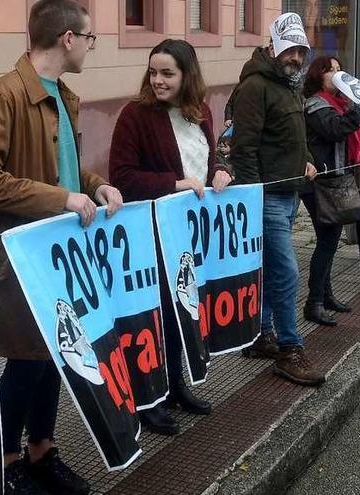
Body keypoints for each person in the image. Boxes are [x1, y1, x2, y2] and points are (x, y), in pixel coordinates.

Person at [0, 1, 123, 494]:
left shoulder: (63, 95)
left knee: (55, 351)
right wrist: (62, 197)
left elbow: (64, 170)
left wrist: (95, 186)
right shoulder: (4, 96)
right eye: (89, 37)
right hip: (16, 258)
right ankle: (7, 462)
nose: (92, 46)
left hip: (54, 255)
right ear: (68, 39)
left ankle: (41, 450)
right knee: (27, 359)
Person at [109, 39, 233, 435]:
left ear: (187, 76)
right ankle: (151, 398)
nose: (158, 80)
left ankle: (178, 385)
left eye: (168, 73)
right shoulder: (135, 115)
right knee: (155, 317)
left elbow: (208, 159)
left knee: (181, 310)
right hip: (148, 234)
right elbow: (123, 177)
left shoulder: (200, 114)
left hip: (188, 236)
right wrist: (173, 183)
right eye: (153, 72)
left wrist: (220, 171)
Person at [230, 12, 325, 386]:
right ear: (273, 47)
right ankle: (289, 348)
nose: (296, 58)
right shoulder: (255, 86)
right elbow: (243, 147)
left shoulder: (289, 84)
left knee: (272, 270)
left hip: (289, 193)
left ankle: (261, 335)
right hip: (267, 197)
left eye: (301, 51)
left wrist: (308, 161)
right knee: (287, 272)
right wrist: (254, 197)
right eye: (290, 50)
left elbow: (292, 136)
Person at [299, 55, 360, 325]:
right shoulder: (316, 104)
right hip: (320, 183)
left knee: (330, 241)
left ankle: (325, 294)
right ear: (317, 76)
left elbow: (349, 139)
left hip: (335, 179)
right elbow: (336, 130)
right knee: (326, 240)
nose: (336, 74)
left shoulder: (341, 103)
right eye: (329, 70)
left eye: (338, 69)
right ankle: (314, 302)